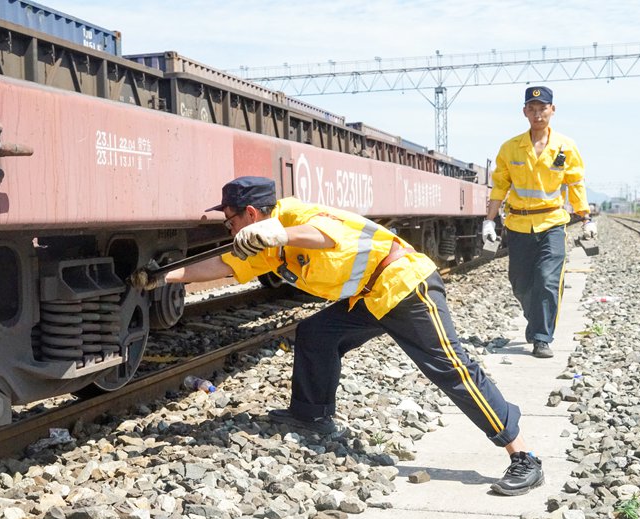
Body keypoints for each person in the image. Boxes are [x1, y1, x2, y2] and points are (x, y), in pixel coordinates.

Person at [130, 175, 544, 496]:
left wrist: (280, 233)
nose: (228, 225)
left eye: (231, 218)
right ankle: (312, 415)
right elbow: (223, 266)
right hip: (368, 296)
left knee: (450, 368)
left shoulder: (297, 218)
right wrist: (165, 277)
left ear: (252, 215)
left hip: (405, 286)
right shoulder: (265, 242)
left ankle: (522, 454)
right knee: (316, 334)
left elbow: (328, 238)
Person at [483, 86, 596, 359]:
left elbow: (575, 185)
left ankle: (542, 338)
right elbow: (499, 187)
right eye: (532, 109)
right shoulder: (510, 148)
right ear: (524, 112)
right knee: (520, 283)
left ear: (552, 110)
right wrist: (488, 222)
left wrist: (586, 219)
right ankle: (536, 321)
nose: (538, 114)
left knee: (547, 279)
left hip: (553, 223)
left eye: (543, 108)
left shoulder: (566, 147)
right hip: (519, 226)